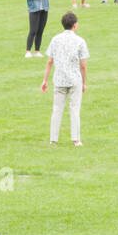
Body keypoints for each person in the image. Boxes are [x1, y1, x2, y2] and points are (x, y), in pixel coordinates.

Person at [40, 10, 88, 146]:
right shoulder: (80, 41)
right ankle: (76, 139)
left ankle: (53, 139)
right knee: (75, 109)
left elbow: (50, 61)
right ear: (75, 25)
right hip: (74, 79)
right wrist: (84, 82)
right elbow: (83, 65)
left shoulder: (55, 39)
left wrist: (45, 80)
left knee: (57, 109)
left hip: (59, 78)